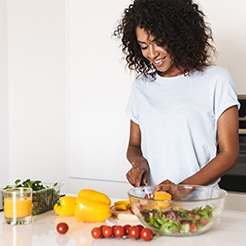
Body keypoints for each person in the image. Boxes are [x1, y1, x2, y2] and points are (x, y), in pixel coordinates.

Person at [114, 0, 240, 188]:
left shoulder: (216, 80)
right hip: (156, 201)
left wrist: (182, 188)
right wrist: (138, 163)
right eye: (143, 46)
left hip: (201, 203)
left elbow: (229, 154)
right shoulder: (142, 86)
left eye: (159, 43)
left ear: (179, 36)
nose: (152, 54)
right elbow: (134, 145)